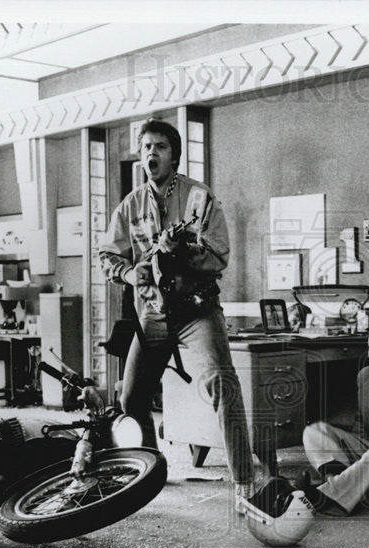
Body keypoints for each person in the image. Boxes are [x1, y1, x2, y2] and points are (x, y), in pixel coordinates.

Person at [98, 117, 254, 503]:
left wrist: (182, 252)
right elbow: (106, 256)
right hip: (152, 315)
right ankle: (153, 470)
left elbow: (219, 257)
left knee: (222, 383)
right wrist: (129, 273)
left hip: (196, 312)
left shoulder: (199, 198)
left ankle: (246, 482)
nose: (152, 153)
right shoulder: (130, 206)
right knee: (131, 399)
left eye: (160, 147)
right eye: (146, 146)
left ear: (175, 155)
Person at [298, 321, 369, 515]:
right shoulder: (365, 376)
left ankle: (329, 495)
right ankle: (339, 485)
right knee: (314, 431)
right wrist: (347, 442)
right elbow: (362, 421)